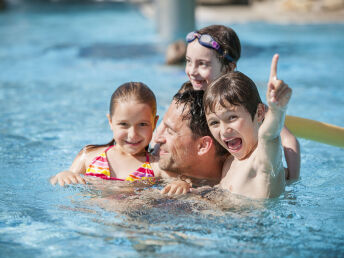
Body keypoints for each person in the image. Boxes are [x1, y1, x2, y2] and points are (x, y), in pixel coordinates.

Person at [182, 25, 300, 181]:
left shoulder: (242, 101)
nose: (192, 71)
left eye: (202, 64)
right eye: (189, 61)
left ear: (229, 68)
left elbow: (288, 139)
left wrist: (292, 179)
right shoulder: (186, 96)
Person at [50, 82, 187, 193]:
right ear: (110, 122)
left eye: (142, 124)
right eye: (123, 124)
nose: (133, 134)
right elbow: (58, 181)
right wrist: (63, 175)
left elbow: (181, 182)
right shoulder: (88, 156)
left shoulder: (156, 167)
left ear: (154, 123)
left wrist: (181, 184)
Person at [203, 55, 290, 198]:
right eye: (214, 122)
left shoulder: (262, 159)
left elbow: (269, 136)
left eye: (232, 117)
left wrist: (277, 110)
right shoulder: (230, 162)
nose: (224, 131)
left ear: (260, 113)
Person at [155, 88, 229, 195]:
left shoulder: (236, 185)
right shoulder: (151, 168)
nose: (157, 139)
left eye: (169, 131)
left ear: (203, 146)